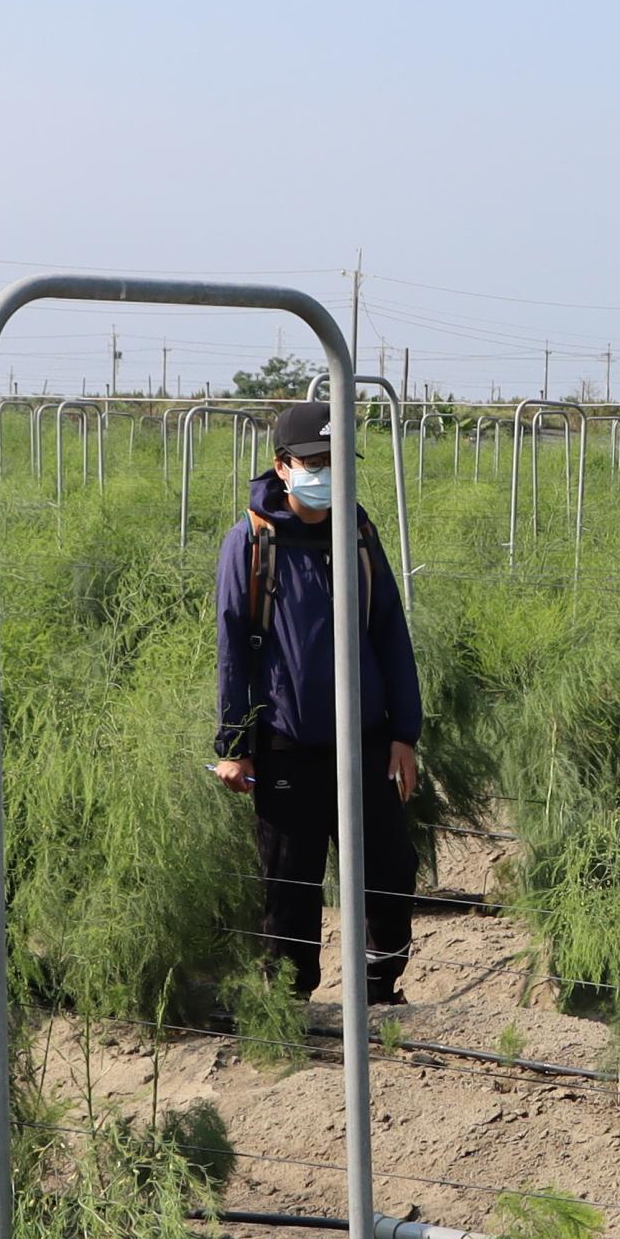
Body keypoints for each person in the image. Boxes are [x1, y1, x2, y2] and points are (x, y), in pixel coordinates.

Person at [211, 395, 425, 1009]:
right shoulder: (252, 543)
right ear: (283, 467)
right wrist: (234, 746)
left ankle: (379, 987)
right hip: (287, 743)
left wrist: (403, 734)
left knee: (388, 865)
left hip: (366, 738)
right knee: (290, 881)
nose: (327, 471)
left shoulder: (357, 533)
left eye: (337, 460)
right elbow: (234, 648)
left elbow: (390, 630)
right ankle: (289, 1002)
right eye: (315, 460)